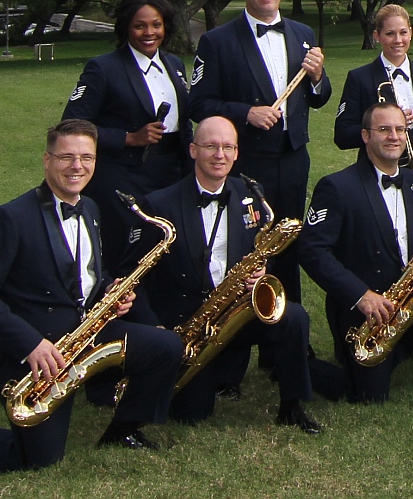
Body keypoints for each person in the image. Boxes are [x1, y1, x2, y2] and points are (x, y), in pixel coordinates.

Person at [0, 120, 182, 471]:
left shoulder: (91, 209)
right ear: (47, 161)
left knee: (166, 346)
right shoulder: (10, 218)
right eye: (67, 156)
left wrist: (109, 290)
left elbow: (86, 275)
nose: (77, 166)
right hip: (38, 353)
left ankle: (124, 429)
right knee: (36, 460)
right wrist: (31, 344)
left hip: (87, 336)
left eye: (86, 157)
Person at [124, 116, 321, 432]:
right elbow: (135, 276)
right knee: (191, 414)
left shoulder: (250, 195)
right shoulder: (159, 204)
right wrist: (156, 329)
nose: (220, 155)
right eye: (211, 146)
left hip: (233, 312)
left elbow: (258, 251)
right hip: (185, 324)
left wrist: (260, 274)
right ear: (192, 150)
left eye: (228, 147)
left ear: (237, 152)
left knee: (294, 317)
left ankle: (292, 406)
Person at [191, 0, 332, 304]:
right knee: (249, 248)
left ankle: (286, 336)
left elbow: (320, 97)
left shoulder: (303, 34)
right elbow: (198, 104)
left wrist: (317, 77)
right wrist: (246, 113)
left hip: (293, 160)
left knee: (288, 244)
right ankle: (238, 331)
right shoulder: (217, 41)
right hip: (247, 164)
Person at [298, 102, 413, 402]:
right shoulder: (337, 186)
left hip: (405, 297)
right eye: (384, 130)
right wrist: (362, 295)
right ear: (366, 136)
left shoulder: (412, 182)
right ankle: (299, 364)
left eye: (399, 129)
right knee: (367, 395)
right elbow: (312, 250)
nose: (394, 136)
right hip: (364, 306)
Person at [62, 0, 193, 270]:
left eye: (156, 25)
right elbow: (72, 125)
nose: (149, 33)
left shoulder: (175, 65)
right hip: (124, 177)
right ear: (125, 28)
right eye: (139, 26)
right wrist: (129, 138)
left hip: (172, 174)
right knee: (128, 255)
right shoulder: (103, 68)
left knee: (171, 251)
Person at [335, 4, 413, 214]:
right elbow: (342, 135)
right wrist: (382, 126)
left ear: (411, 33)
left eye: (403, 33)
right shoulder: (360, 78)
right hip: (376, 179)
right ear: (377, 36)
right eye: (390, 34)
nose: (398, 40)